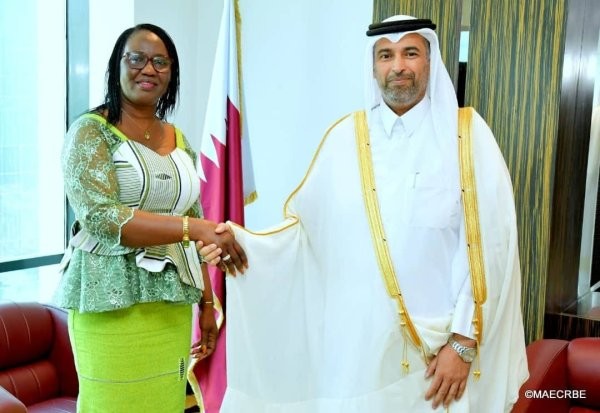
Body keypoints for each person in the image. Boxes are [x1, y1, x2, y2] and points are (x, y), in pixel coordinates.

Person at [205, 15, 528, 412]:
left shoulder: (467, 136)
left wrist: (462, 343)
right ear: (373, 66)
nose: (398, 66)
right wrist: (241, 243)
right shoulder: (345, 140)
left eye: (411, 53)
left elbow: (490, 247)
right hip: (358, 356)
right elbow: (305, 237)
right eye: (386, 55)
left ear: (430, 61)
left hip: (437, 360)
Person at [55, 23, 246, 412]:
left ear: (171, 74)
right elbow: (103, 218)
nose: (148, 69)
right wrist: (195, 228)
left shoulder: (178, 139)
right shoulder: (90, 132)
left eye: (161, 62)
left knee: (165, 404)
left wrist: (206, 305)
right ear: (117, 65)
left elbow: (193, 220)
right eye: (137, 58)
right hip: (107, 303)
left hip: (172, 305)